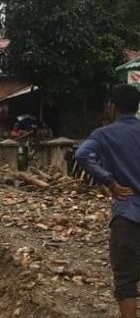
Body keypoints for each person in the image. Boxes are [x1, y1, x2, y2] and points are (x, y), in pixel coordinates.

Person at [75, 84, 140, 318]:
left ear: (112, 107)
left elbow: (82, 154)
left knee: (126, 282)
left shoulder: (104, 134)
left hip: (127, 214)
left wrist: (110, 182)